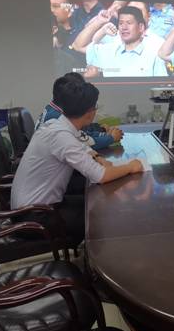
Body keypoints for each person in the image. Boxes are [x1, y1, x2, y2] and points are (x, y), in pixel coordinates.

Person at [11, 81, 143, 245]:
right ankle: (98, 260)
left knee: (95, 201)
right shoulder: (60, 135)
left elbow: (81, 147)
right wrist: (131, 166)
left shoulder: (57, 124)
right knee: (106, 216)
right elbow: (101, 176)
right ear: (90, 112)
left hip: (35, 207)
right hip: (33, 218)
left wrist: (98, 157)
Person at [35, 72, 123, 150]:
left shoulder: (54, 108)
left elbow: (81, 134)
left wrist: (102, 132)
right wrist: (111, 138)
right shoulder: (56, 117)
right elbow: (81, 144)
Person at [72, 6, 167, 77]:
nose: (124, 27)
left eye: (129, 23)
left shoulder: (153, 55)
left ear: (141, 27)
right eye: (121, 23)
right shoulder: (108, 51)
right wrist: (99, 21)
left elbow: (160, 87)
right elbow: (78, 46)